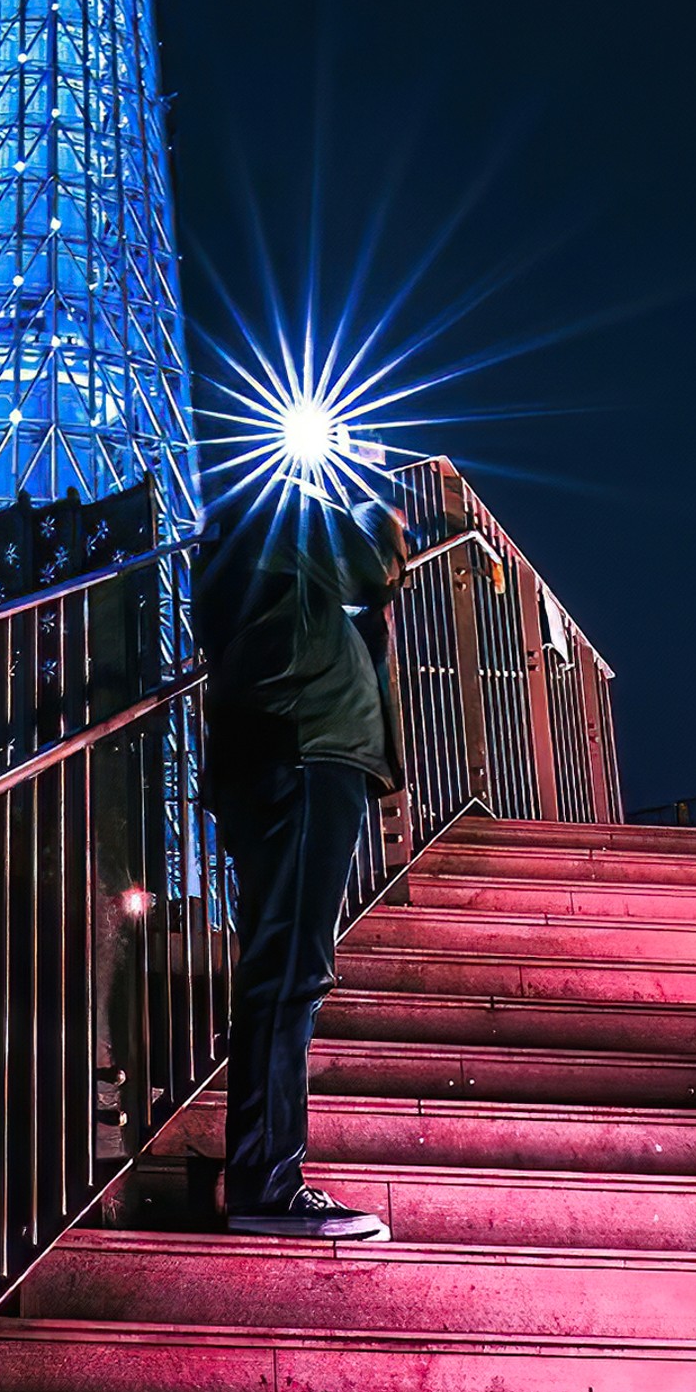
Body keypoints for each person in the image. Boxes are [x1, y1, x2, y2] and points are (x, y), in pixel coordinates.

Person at [198, 486, 410, 1239]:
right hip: (304, 758)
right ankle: (267, 1182)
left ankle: (264, 1172)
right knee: (290, 970)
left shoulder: (272, 586)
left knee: (285, 967)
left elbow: (359, 603)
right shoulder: (285, 514)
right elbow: (364, 569)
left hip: (287, 759)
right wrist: (377, 531)